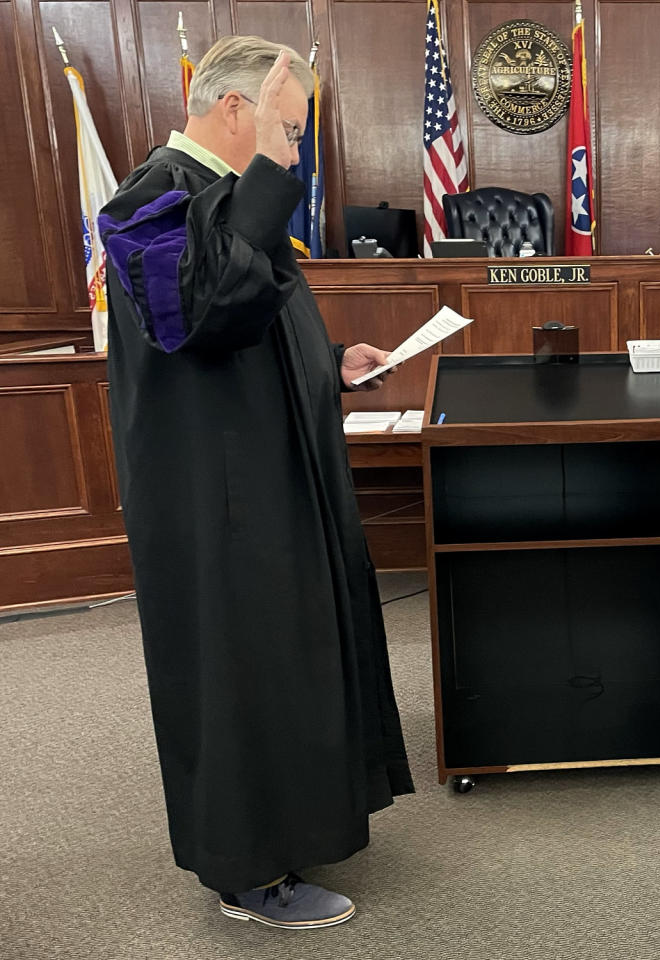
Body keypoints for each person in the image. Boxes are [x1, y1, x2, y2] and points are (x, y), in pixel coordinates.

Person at [98, 36, 413, 930]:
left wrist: (330, 358)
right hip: (216, 502)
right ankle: (247, 874)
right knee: (240, 665)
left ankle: (292, 831)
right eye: (287, 129)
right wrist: (271, 183)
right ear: (232, 108)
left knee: (288, 649)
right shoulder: (148, 198)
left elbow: (256, 318)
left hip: (266, 481)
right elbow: (202, 311)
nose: (295, 154)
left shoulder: (223, 200)